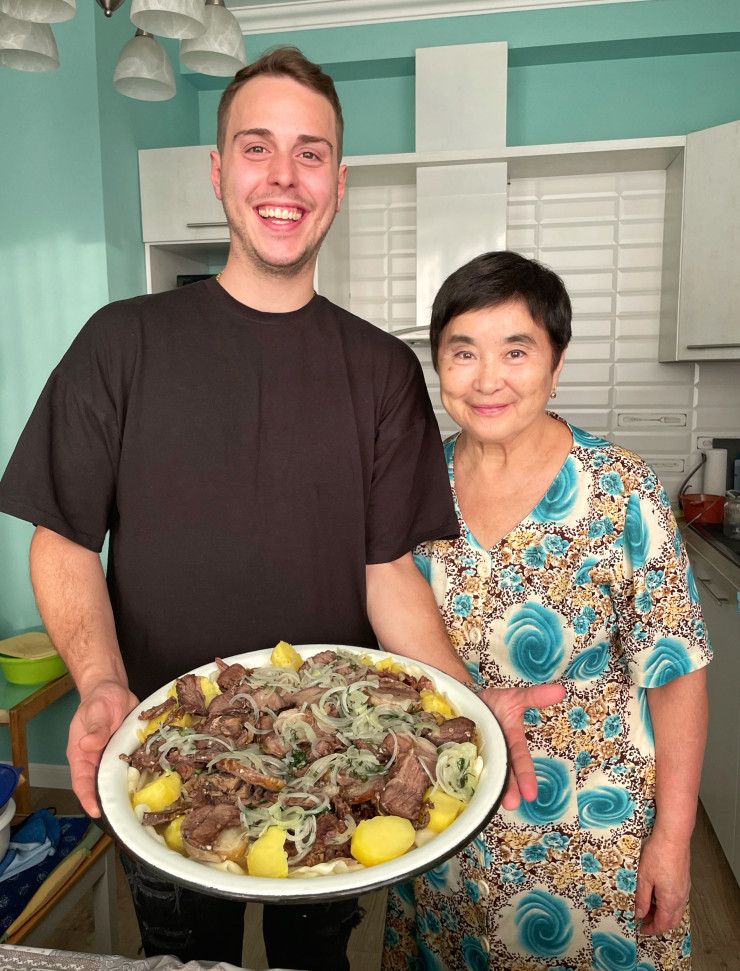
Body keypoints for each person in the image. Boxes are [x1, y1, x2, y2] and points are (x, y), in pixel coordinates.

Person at [0, 53, 560, 970]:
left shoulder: (382, 371)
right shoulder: (120, 343)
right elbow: (62, 536)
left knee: (317, 959)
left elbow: (387, 570)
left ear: (338, 181)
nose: (284, 178)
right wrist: (100, 682)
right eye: (257, 148)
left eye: (311, 153)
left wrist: (466, 699)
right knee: (180, 957)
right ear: (218, 170)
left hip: (341, 758)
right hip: (168, 750)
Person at [384, 250, 711, 971]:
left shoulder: (622, 489)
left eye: (516, 350)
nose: (487, 378)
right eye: (463, 352)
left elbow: (677, 673)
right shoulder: (413, 484)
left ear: (556, 364)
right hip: (451, 817)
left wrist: (673, 836)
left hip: (594, 832)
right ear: (439, 365)